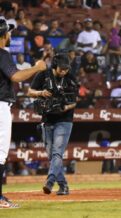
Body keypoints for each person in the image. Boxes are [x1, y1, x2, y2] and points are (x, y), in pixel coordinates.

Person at [0, 18, 46, 208]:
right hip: (0, 105)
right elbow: (16, 76)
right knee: (0, 153)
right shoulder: (2, 53)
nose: (10, 35)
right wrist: (36, 68)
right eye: (8, 32)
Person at [28, 52, 78, 196]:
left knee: (57, 153)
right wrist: (41, 93)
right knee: (52, 156)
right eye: (62, 68)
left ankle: (49, 182)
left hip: (64, 119)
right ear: (55, 66)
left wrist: (64, 107)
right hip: (47, 119)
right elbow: (30, 91)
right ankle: (63, 185)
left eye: (66, 68)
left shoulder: (70, 78)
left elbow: (74, 101)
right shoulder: (43, 74)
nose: (64, 71)